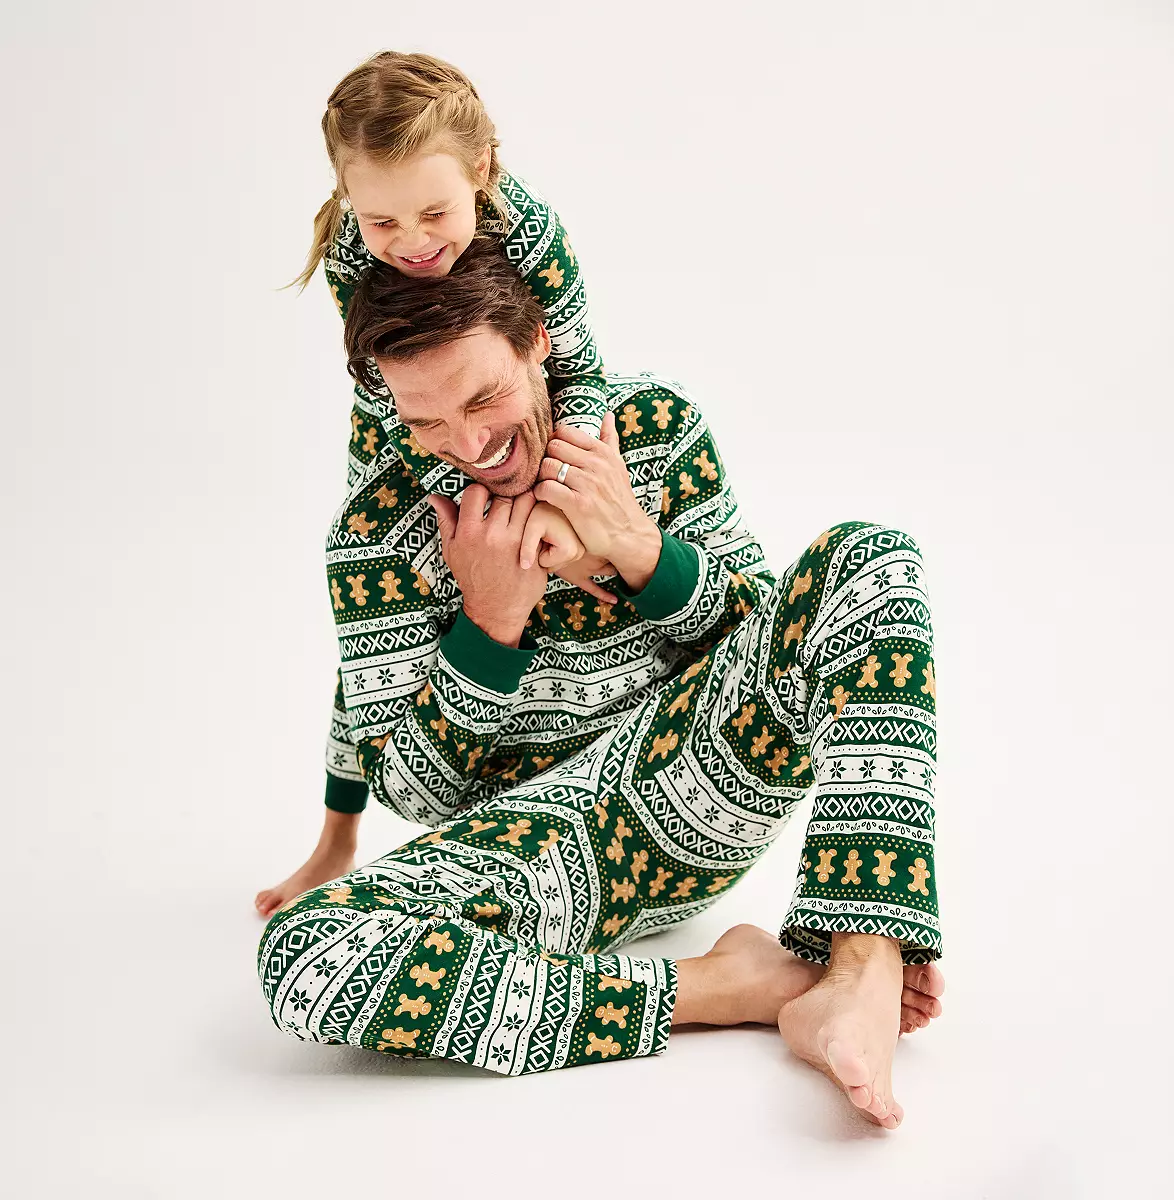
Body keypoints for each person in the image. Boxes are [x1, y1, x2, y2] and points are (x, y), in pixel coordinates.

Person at [257, 241, 944, 1127]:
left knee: (871, 559)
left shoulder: (652, 429)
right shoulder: (373, 537)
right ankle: (722, 986)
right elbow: (419, 794)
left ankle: (861, 968)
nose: (468, 445)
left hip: (698, 782)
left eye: (483, 396)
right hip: (531, 858)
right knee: (307, 955)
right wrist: (489, 624)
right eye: (424, 420)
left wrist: (638, 551)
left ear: (538, 340)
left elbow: (783, 654)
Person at [256, 52, 616, 912]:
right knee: (372, 639)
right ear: (348, 199)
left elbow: (584, 372)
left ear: (481, 172)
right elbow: (387, 393)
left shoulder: (531, 231)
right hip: (404, 435)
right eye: (381, 220)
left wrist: (551, 497)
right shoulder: (355, 257)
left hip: (520, 426)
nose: (412, 244)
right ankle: (336, 836)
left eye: (434, 213)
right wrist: (457, 488)